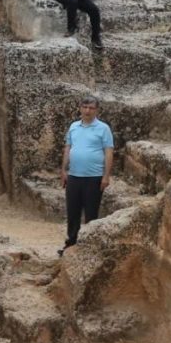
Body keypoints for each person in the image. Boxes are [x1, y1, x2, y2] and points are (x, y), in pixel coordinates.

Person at [59, 95, 114, 256]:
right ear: (80, 108)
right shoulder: (74, 126)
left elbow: (109, 152)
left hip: (94, 177)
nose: (87, 110)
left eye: (91, 108)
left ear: (96, 110)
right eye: (85, 107)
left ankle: (90, 247)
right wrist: (63, 170)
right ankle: (71, 244)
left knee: (91, 213)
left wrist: (106, 175)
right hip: (74, 176)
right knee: (73, 212)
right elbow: (68, 148)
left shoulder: (103, 128)